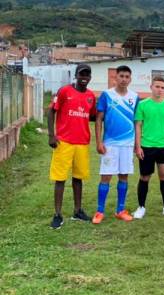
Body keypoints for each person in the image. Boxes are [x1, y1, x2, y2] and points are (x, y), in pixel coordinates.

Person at [47, 63, 97, 229]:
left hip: (82, 143)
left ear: (90, 77)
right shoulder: (64, 91)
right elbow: (51, 111)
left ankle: (77, 211)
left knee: (78, 178)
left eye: (87, 75)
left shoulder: (91, 96)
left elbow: (91, 116)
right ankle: (57, 214)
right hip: (64, 142)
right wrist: (51, 135)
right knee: (60, 178)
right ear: (76, 76)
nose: (84, 78)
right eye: (81, 74)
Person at [92, 65, 138, 224]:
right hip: (110, 144)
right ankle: (99, 211)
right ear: (115, 77)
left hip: (127, 144)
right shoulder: (107, 95)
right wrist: (99, 142)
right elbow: (98, 120)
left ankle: (120, 210)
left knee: (124, 176)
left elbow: (137, 122)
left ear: (130, 79)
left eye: (127, 77)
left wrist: (137, 145)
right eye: (121, 76)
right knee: (106, 176)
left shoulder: (135, 97)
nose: (124, 79)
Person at [132, 76, 164, 219]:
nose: (160, 90)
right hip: (147, 146)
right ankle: (141, 207)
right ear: (151, 87)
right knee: (145, 177)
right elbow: (138, 126)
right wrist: (138, 146)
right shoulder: (143, 105)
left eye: (162, 87)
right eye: (157, 86)